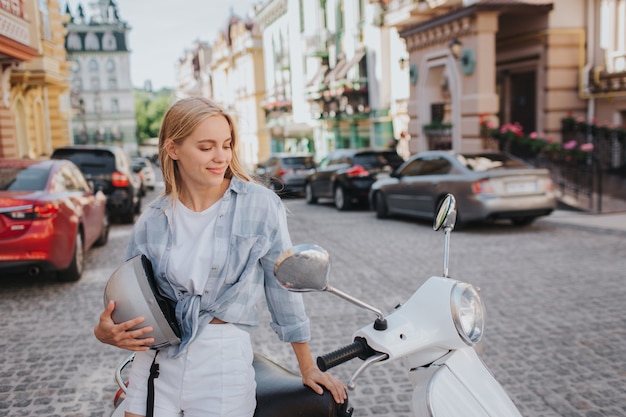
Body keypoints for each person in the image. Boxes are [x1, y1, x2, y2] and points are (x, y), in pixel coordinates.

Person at [94, 96, 347, 417]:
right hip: (155, 364)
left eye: (226, 145)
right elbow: (129, 297)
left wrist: (307, 365)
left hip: (222, 363)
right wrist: (105, 332)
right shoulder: (153, 218)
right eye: (206, 147)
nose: (221, 156)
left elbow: (283, 285)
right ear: (173, 149)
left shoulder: (259, 205)